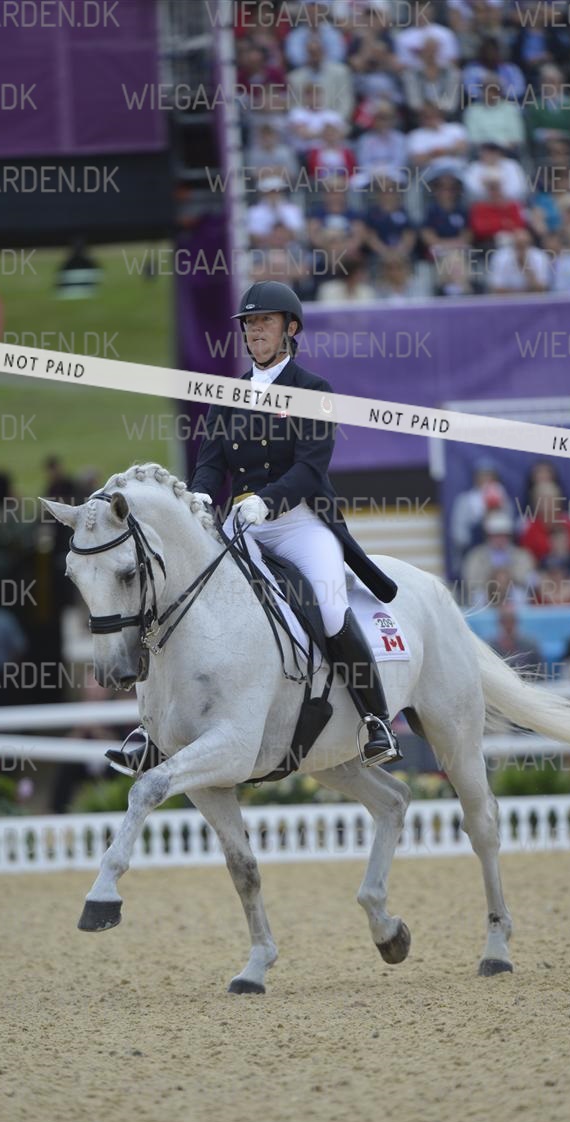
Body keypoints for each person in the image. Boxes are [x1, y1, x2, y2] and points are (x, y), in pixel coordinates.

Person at [188, 280, 401, 767]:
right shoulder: (227, 395)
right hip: (243, 523)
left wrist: (267, 502)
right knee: (193, 595)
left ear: (291, 328)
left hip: (298, 521)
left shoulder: (314, 391)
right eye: (249, 323)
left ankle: (376, 721)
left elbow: (310, 467)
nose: (255, 330)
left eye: (265, 321)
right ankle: (161, 722)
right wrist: (199, 495)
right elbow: (211, 463)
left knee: (330, 608)